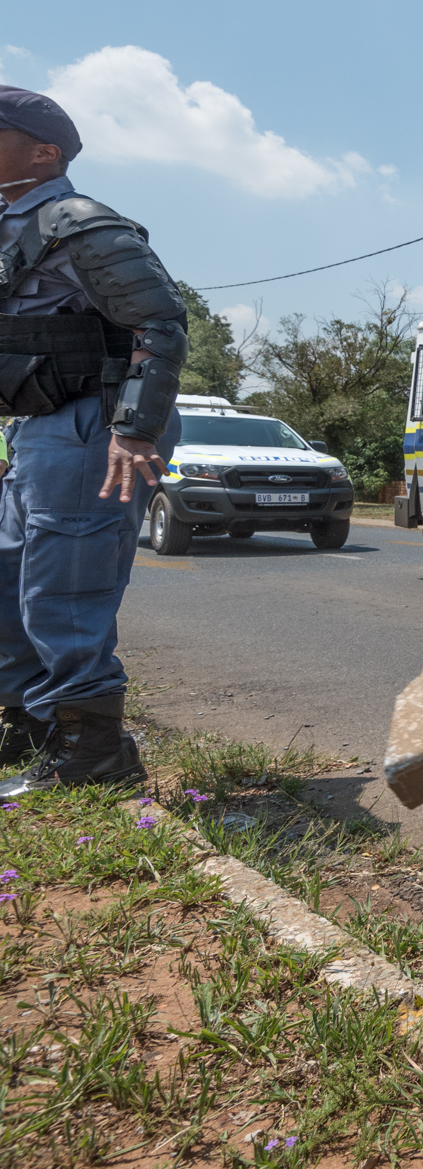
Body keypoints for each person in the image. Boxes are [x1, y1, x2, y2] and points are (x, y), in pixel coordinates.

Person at [0, 87, 185, 798]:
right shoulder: (14, 227)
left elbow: (160, 323)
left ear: (44, 151)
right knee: (11, 579)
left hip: (95, 423)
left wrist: (134, 429)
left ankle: (92, 751)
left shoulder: (79, 223)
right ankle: (30, 722)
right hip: (37, 425)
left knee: (64, 589)